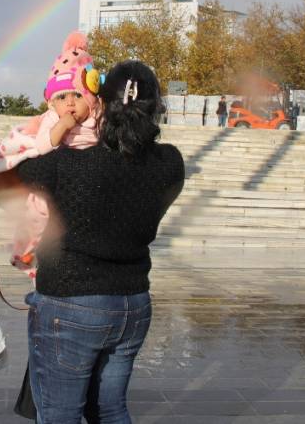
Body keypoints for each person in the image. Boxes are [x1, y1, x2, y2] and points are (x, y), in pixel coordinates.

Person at [16, 60, 185, 423]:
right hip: (133, 305)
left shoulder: (68, 164)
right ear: (156, 109)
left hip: (71, 303)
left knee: (61, 414)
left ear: (100, 104)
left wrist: (64, 123)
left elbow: (20, 170)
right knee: (111, 410)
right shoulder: (171, 163)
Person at [0, 31, 101, 279]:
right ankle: (29, 249)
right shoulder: (53, 119)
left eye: (77, 96)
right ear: (51, 102)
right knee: (38, 209)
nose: (70, 104)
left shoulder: (99, 118)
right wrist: (61, 126)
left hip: (84, 183)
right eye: (62, 97)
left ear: (91, 97)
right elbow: (42, 146)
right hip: (56, 175)